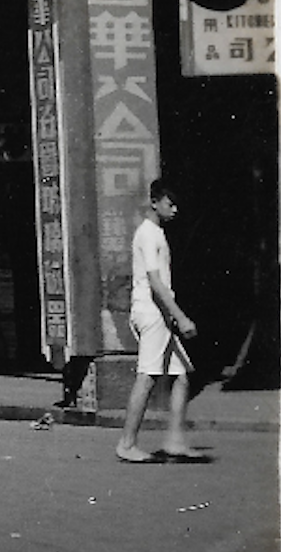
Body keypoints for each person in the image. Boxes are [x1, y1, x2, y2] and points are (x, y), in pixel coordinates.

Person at [116, 179, 204, 463]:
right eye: (170, 204)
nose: (175, 210)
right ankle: (127, 444)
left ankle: (175, 440)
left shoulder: (155, 232)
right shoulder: (149, 234)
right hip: (153, 313)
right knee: (148, 376)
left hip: (159, 313)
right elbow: (155, 282)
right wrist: (180, 316)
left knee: (180, 376)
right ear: (155, 202)